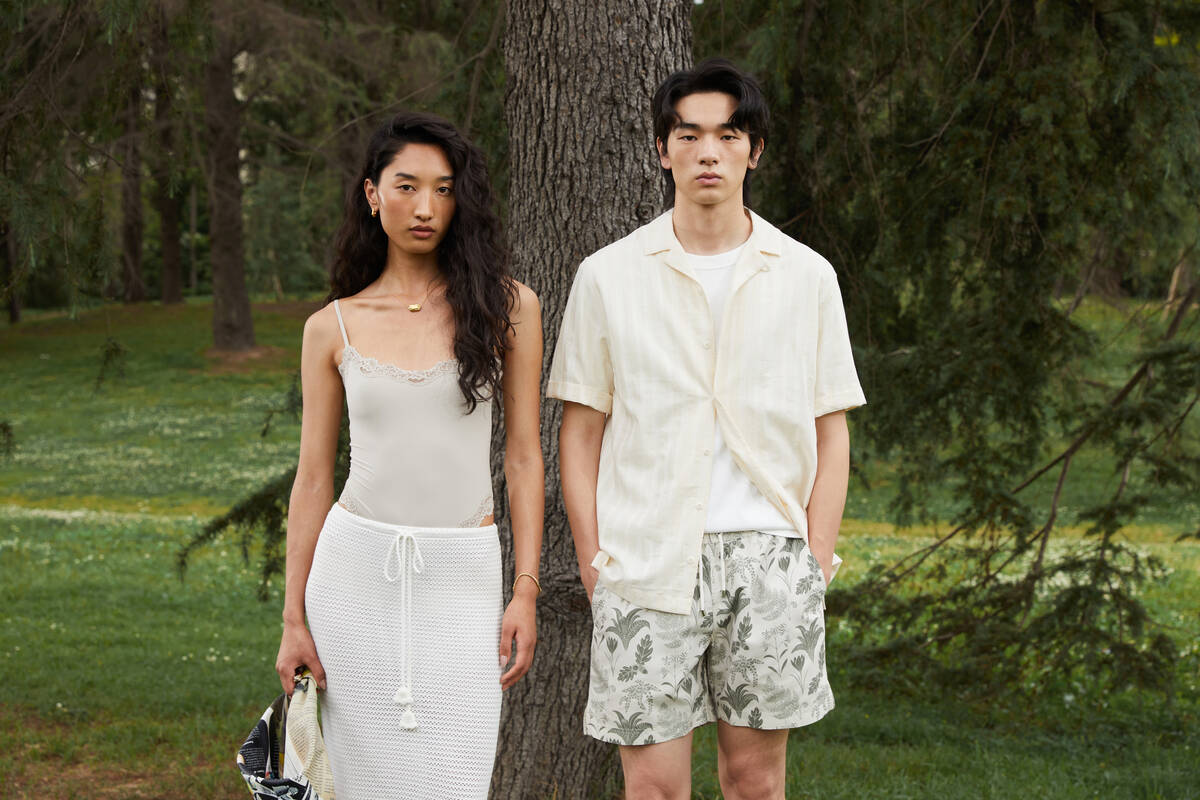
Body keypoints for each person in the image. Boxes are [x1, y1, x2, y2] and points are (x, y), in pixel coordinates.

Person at [549, 58, 865, 800]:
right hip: (645, 557)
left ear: (755, 150)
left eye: (728, 135)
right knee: (654, 788)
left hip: (771, 558)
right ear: (663, 150)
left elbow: (831, 430)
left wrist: (814, 558)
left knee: (755, 781)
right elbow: (580, 433)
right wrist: (595, 561)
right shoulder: (608, 275)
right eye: (689, 135)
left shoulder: (807, 276)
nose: (708, 152)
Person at [273, 111, 544, 800]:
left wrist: (525, 590)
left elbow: (522, 458)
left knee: (457, 779)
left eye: (444, 189)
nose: (426, 207)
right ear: (373, 194)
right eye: (407, 186)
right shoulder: (331, 326)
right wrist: (293, 619)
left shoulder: (509, 308)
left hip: (464, 579)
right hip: (353, 580)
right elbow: (313, 480)